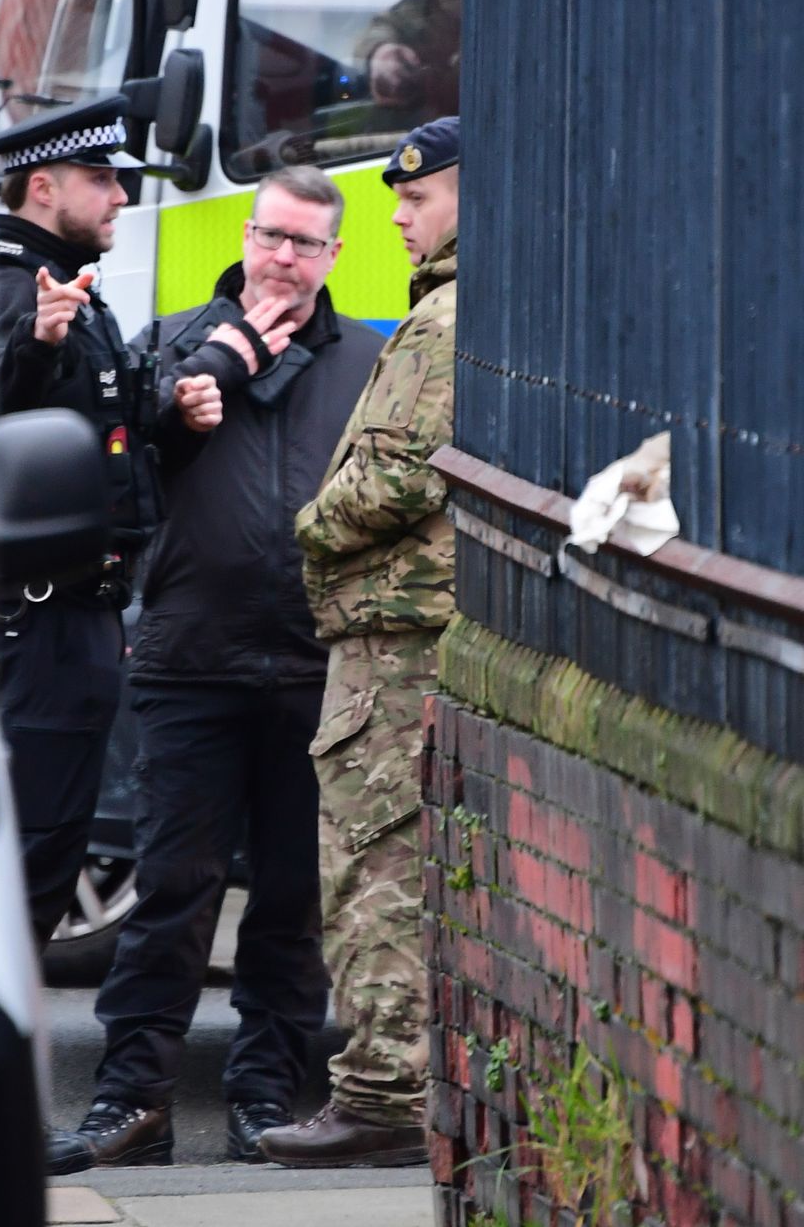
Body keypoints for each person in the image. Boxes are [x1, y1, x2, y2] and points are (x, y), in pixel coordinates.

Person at [47, 167, 384, 1174]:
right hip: (189, 660)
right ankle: (132, 1101)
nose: (284, 258)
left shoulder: (369, 358)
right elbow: (121, 466)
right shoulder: (173, 341)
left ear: (333, 256)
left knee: (290, 899)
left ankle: (264, 1096)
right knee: (171, 892)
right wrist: (199, 387)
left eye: (307, 244)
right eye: (272, 236)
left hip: (314, 666)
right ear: (246, 234)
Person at [0, 94, 221, 948]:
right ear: (42, 186)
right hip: (27, 621)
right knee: (20, 856)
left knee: (47, 845)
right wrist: (34, 346)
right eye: (101, 179)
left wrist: (175, 418)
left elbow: (113, 454)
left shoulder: (77, 291)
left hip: (81, 617)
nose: (119, 197)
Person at [259, 116, 460, 1169]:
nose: (397, 213)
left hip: (396, 632)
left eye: (416, 198)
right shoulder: (461, 307)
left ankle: (383, 1091)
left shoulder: (447, 320)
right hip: (405, 626)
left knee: (374, 861)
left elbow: (400, 474)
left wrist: (306, 523)